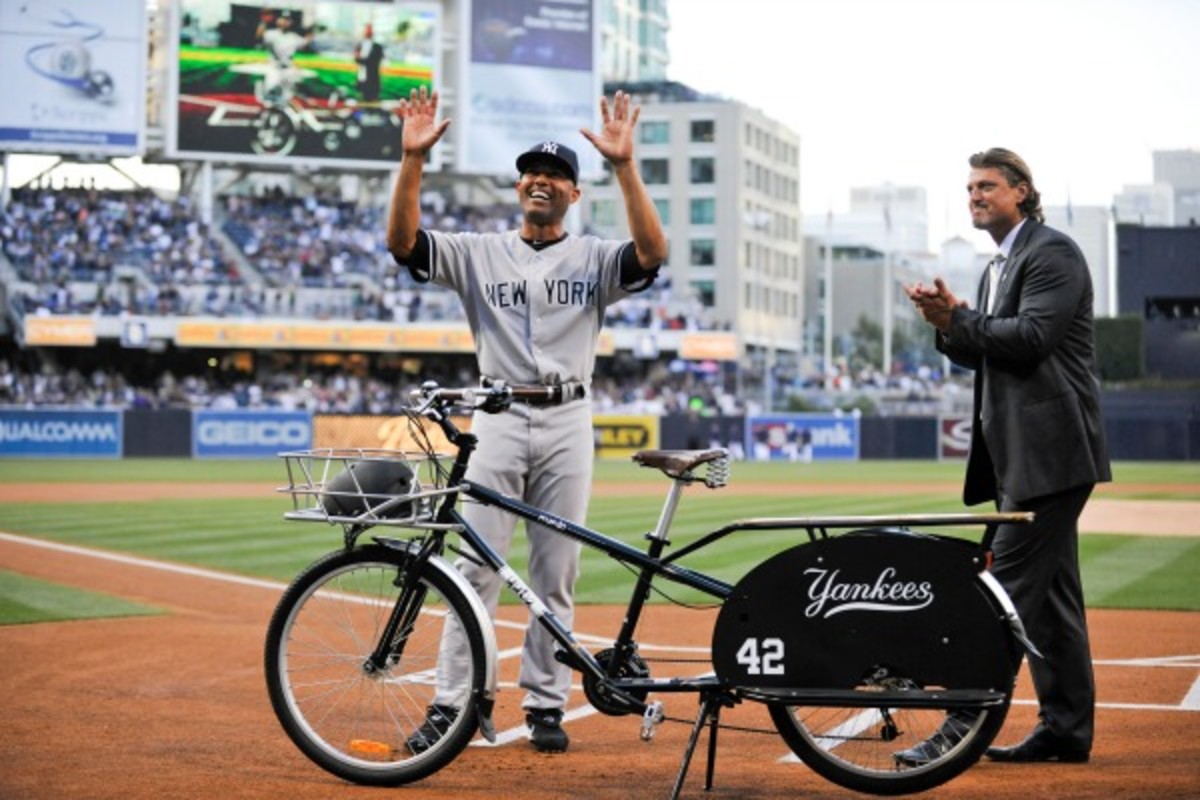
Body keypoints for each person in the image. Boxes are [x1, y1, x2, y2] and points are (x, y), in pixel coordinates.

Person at [385, 87, 667, 753]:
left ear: (573, 194)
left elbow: (651, 254)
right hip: (498, 414)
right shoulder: (478, 252)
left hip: (569, 415)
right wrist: (412, 161)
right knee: (471, 569)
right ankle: (454, 700)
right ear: (519, 187)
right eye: (532, 172)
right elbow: (403, 243)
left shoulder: (595, 257)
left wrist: (625, 167)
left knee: (555, 571)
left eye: (557, 175)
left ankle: (545, 703)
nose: (541, 180)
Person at [896, 147, 1111, 766]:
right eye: (969, 188)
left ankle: (959, 727)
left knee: (1001, 595)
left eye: (987, 185)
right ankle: (1065, 730)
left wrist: (960, 318)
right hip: (1024, 456)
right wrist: (947, 324)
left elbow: (1032, 339)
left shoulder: (1052, 253)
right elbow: (987, 350)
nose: (975, 195)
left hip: (1052, 454)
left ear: (1022, 191)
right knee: (1050, 599)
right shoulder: (999, 265)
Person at [255, 9, 313, 105]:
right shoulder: (271, 34)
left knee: (286, 98)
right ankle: (269, 118)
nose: (285, 22)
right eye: (283, 19)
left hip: (288, 70)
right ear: (278, 20)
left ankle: (282, 119)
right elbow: (259, 37)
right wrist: (263, 21)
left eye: (288, 19)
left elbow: (305, 43)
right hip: (274, 69)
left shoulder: (294, 37)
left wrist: (311, 29)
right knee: (270, 97)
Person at [352, 23, 382, 102]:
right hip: (361, 77)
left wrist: (361, 59)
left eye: (369, 30)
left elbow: (374, 61)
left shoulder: (377, 47)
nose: (367, 32)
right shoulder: (360, 45)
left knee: (371, 101)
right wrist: (359, 58)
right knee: (360, 100)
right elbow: (356, 59)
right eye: (366, 30)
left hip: (372, 80)